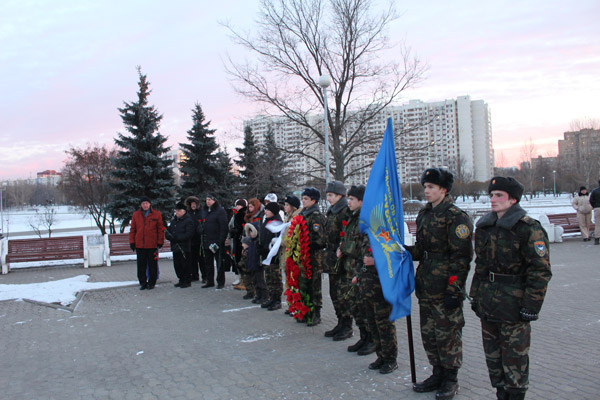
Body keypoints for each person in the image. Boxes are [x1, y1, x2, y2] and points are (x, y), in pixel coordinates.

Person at [469, 177, 552, 400]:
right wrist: (475, 296)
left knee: (514, 359)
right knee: (493, 358)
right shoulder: (485, 227)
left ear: (513, 199)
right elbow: (481, 266)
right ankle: (500, 393)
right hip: (489, 303)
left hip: (514, 305)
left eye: (499, 195)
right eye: (491, 195)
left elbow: (540, 271)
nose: (493, 200)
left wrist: (532, 305)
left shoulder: (528, 228)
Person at [407, 168, 473, 400]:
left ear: (443, 190)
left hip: (445, 286)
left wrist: (454, 289)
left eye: (431, 187)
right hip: (426, 285)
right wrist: (403, 252)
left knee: (448, 334)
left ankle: (450, 378)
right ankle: (437, 373)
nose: (426, 191)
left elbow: (462, 258)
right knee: (430, 334)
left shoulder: (456, 217)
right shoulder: (425, 214)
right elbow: (422, 249)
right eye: (425, 187)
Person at [337, 186, 375, 356]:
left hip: (361, 270)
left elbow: (362, 248)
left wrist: (344, 247)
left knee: (364, 308)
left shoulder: (365, 219)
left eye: (352, 199)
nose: (349, 202)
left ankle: (371, 340)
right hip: (350, 269)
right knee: (356, 307)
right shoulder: (352, 217)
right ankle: (364, 337)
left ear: (361, 201)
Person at [323, 180, 353, 340]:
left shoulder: (345, 211)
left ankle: (347, 325)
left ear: (340, 195)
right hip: (331, 256)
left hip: (341, 258)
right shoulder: (333, 210)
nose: (328, 198)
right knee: (334, 292)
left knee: (343, 293)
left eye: (331, 195)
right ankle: (340, 322)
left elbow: (346, 233)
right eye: (328, 195)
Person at [298, 187, 327, 326]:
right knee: (303, 284)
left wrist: (305, 242)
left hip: (314, 257)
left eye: (306, 199)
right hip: (303, 256)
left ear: (313, 200)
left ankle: (316, 313)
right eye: (302, 198)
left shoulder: (315, 216)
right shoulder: (303, 214)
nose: (303, 201)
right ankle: (306, 310)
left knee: (314, 285)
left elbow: (320, 240)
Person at [129, 197, 165, 290]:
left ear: (150, 204)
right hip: (140, 245)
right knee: (141, 265)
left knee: (153, 265)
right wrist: (132, 242)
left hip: (152, 244)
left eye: (146, 203)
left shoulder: (156, 214)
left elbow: (160, 229)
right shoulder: (136, 215)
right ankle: (142, 282)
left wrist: (160, 242)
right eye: (143, 203)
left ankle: (152, 282)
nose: (145, 205)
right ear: (141, 205)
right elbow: (133, 229)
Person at [258, 201, 284, 310]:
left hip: (274, 256)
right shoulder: (267, 220)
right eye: (265, 210)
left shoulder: (277, 222)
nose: (265, 211)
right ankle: (271, 298)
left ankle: (277, 300)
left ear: (273, 211)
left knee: (275, 278)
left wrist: (271, 244)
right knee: (268, 277)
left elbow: (278, 239)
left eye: (268, 210)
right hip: (266, 254)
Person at [200, 194, 228, 288]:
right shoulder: (204, 210)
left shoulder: (220, 211)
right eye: (207, 199)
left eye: (210, 200)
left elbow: (224, 227)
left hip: (216, 241)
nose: (208, 201)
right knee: (208, 262)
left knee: (219, 262)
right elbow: (201, 222)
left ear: (214, 201)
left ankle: (220, 282)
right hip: (206, 240)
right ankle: (210, 281)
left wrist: (221, 240)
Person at [165, 201, 195, 288]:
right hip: (175, 247)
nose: (177, 212)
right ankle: (181, 279)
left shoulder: (188, 221)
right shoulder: (174, 220)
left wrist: (178, 238)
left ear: (184, 211)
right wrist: (168, 235)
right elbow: (169, 231)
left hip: (184, 247)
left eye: (179, 210)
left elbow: (189, 234)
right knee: (177, 265)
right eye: (176, 211)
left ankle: (187, 280)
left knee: (185, 264)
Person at [280, 195, 302, 315]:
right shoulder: (288, 217)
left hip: (293, 253)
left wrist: (281, 242)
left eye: (287, 205)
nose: (285, 207)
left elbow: (293, 237)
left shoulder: (295, 218)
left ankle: (296, 305)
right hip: (287, 252)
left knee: (294, 280)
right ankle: (291, 305)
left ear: (293, 207)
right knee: (289, 279)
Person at [229, 199, 248, 290]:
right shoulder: (235, 214)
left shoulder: (244, 214)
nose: (238, 207)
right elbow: (231, 225)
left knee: (242, 260)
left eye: (239, 205)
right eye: (237, 205)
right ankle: (239, 277)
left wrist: (237, 231)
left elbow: (243, 227)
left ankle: (244, 280)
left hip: (242, 240)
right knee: (236, 259)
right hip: (236, 239)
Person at [185, 196, 204, 282]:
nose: (193, 205)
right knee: (192, 260)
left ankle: (205, 276)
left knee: (202, 259)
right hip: (191, 240)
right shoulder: (187, 213)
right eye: (191, 204)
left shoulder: (201, 212)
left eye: (194, 204)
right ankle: (194, 275)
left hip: (200, 239)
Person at [589, 180, 600, 245]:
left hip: (597, 208)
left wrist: (594, 206)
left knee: (598, 224)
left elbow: (591, 200)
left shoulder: (595, 191)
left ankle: (597, 238)